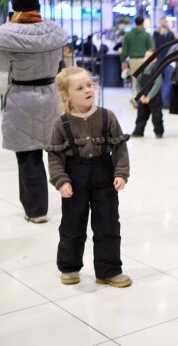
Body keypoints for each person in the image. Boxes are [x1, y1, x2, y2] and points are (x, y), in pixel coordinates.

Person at [45, 67, 132, 287]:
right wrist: (61, 180)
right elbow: (55, 156)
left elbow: (120, 148)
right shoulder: (61, 124)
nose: (87, 90)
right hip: (74, 178)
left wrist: (121, 173)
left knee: (108, 224)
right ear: (66, 95)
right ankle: (69, 267)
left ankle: (108, 270)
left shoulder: (107, 116)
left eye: (89, 85)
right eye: (80, 88)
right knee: (72, 225)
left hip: (104, 175)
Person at [0, 0, 66, 223]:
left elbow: (2, 73)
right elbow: (61, 66)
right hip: (50, 96)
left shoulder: (6, 34)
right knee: (57, 152)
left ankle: (36, 211)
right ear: (37, 5)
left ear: (15, 7)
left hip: (21, 98)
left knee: (28, 155)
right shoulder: (55, 32)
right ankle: (74, 199)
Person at [131, 50, 164, 138]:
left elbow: (158, 83)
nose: (147, 58)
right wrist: (140, 96)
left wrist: (149, 96)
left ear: (155, 59)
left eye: (150, 56)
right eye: (146, 56)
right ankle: (138, 131)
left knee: (157, 116)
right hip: (142, 97)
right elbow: (137, 84)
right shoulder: (141, 70)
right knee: (141, 115)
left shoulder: (156, 69)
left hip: (154, 97)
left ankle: (159, 132)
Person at [119, 16, 154, 101]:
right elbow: (151, 48)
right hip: (145, 60)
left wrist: (123, 61)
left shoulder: (128, 35)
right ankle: (143, 98)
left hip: (133, 60)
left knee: (135, 80)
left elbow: (125, 50)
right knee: (144, 79)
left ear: (135, 23)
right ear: (143, 23)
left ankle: (135, 98)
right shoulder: (147, 35)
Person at [153, 18, 175, 108]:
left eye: (165, 22)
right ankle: (159, 102)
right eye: (162, 22)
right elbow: (155, 45)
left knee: (168, 81)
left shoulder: (170, 33)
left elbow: (173, 45)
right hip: (159, 59)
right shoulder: (156, 33)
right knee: (158, 81)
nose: (164, 23)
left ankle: (165, 103)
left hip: (168, 59)